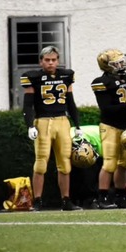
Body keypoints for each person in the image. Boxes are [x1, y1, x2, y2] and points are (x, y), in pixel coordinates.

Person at [22, 45, 84, 211]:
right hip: (43, 122)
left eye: (54, 60)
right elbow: (27, 105)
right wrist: (30, 125)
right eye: (47, 60)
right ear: (41, 61)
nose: (51, 63)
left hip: (63, 121)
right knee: (41, 163)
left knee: (65, 163)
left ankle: (66, 200)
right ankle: (37, 201)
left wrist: (77, 124)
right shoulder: (33, 77)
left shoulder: (66, 75)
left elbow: (70, 102)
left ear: (58, 61)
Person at [90, 49, 126, 210]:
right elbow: (106, 108)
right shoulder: (101, 82)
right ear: (107, 66)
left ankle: (121, 195)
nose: (121, 65)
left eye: (121, 61)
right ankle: (102, 196)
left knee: (125, 163)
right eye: (116, 63)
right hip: (110, 125)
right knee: (110, 163)